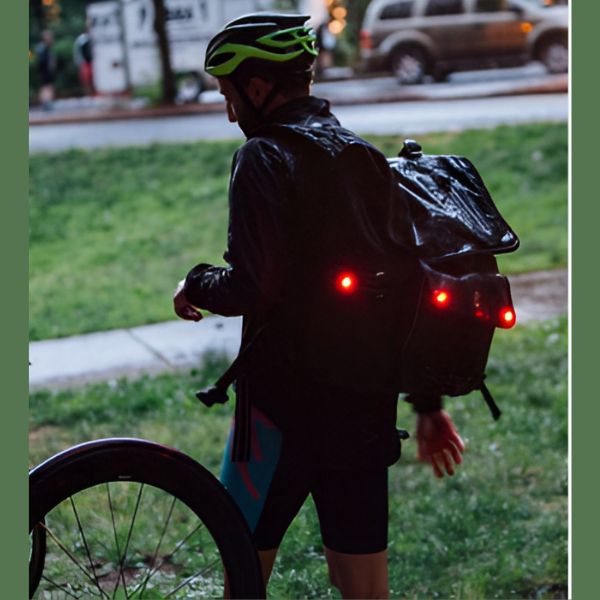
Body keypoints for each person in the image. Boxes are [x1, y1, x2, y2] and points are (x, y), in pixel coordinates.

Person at [173, 13, 465, 599]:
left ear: (258, 87)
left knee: (243, 574)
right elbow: (411, 283)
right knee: (363, 586)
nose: (229, 111)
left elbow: (252, 286)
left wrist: (195, 284)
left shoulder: (261, 157)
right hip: (362, 406)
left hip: (276, 413)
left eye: (228, 94)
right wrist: (428, 405)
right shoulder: (364, 158)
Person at [35, 30, 56, 110]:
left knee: (46, 87)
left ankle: (46, 103)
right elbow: (41, 61)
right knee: (46, 87)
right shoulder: (43, 48)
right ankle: (46, 103)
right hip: (45, 71)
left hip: (45, 71)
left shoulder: (43, 47)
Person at [73, 24, 94, 96]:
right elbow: (77, 52)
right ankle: (88, 95)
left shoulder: (95, 38)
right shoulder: (81, 39)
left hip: (94, 63)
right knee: (86, 81)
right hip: (85, 63)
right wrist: (79, 63)